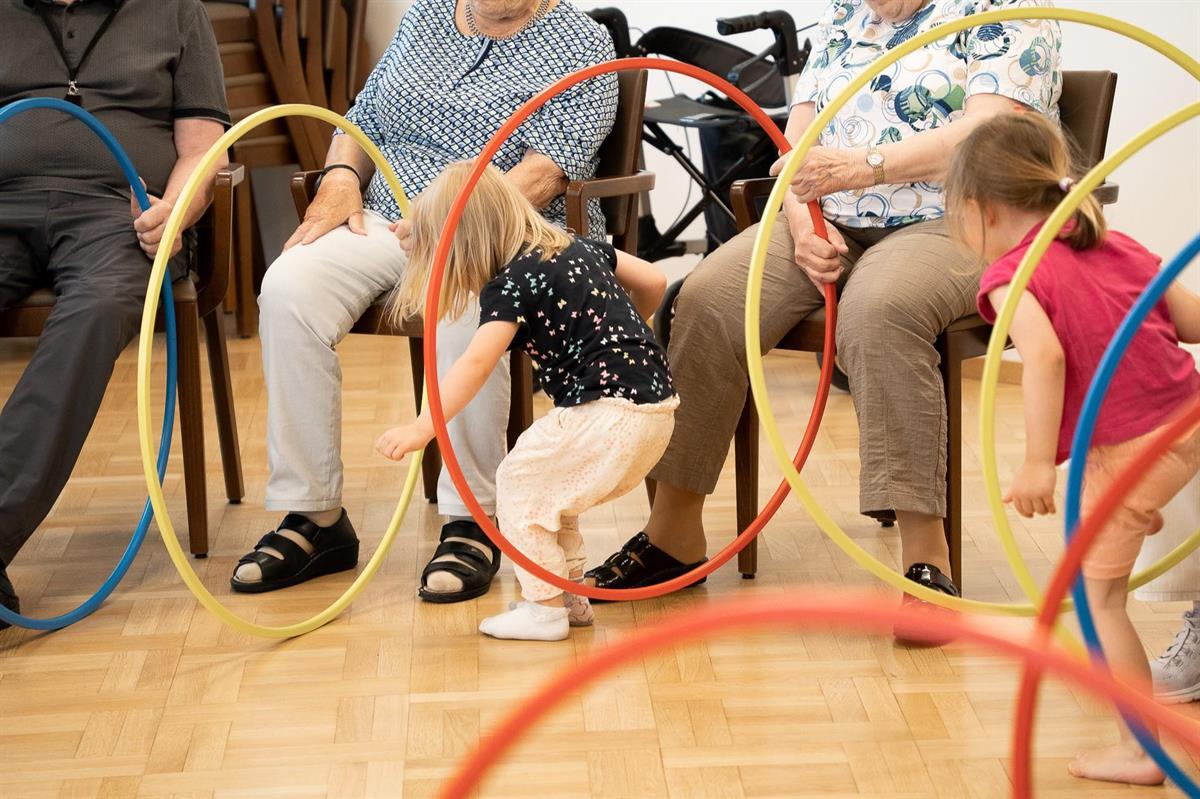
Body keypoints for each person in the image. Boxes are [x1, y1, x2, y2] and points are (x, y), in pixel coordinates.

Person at [586, 0, 1062, 633]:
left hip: (964, 219)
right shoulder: (847, 15)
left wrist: (860, 168)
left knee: (881, 307)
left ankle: (925, 559)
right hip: (828, 215)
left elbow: (990, 142)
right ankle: (673, 536)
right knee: (708, 298)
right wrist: (798, 222)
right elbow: (797, 149)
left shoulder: (1006, 10)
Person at [236, 0, 618, 602]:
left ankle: (472, 519)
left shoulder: (580, 40)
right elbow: (363, 122)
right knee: (289, 287)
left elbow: (544, 174)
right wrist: (339, 176)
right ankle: (314, 517)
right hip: (391, 220)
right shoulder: (429, 15)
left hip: (500, 229)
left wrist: (450, 219)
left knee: (467, 294)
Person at [952, 111, 1200, 787]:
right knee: (1114, 541)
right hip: (1187, 419)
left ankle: (1143, 747)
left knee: (1100, 598)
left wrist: (1036, 463)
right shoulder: (1115, 243)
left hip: (1128, 447)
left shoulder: (1009, 275)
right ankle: (1135, 511)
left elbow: (1046, 358)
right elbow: (1191, 320)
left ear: (979, 209)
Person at [0, 0, 229, 628]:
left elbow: (202, 147)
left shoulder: (176, 9)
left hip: (122, 213)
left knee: (100, 307)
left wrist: (176, 212)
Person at [375, 162, 675, 641]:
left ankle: (543, 610)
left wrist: (421, 428)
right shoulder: (577, 246)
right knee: (554, 497)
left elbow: (474, 364)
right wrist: (611, 335)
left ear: (466, 244)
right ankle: (570, 598)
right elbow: (655, 282)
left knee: (518, 484)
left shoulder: (511, 283)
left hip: (603, 413)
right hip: (655, 410)